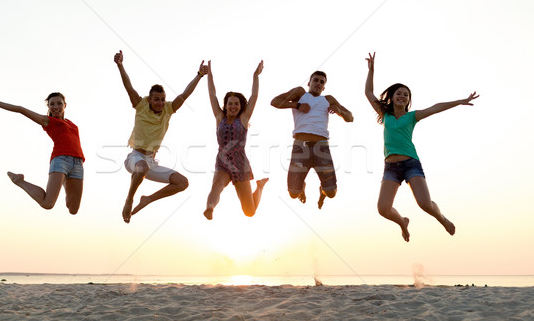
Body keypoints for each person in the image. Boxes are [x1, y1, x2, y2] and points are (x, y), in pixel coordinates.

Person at [364, 52, 479, 242]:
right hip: (390, 168)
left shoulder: (412, 116)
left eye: (406, 95)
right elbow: (368, 93)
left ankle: (442, 218)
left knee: (425, 204)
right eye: (399, 93)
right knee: (383, 209)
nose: (402, 96)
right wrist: (371, 70)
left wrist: (459, 101)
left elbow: (436, 107)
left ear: (408, 101)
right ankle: (403, 222)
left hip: (411, 164)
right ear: (392, 97)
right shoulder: (385, 116)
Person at [114, 50, 208, 223]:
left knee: (182, 182)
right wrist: (120, 65)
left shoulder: (168, 110)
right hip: (135, 159)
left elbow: (185, 94)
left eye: (162, 99)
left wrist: (200, 75)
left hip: (151, 162)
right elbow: (128, 86)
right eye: (156, 99)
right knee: (142, 167)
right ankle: (129, 200)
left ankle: (147, 199)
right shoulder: (140, 105)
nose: (160, 102)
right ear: (149, 100)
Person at [0, 92, 85, 214]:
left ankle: (63, 179)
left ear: (65, 105)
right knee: (48, 204)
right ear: (48, 107)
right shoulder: (48, 121)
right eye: (52, 104)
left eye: (59, 103)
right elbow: (20, 109)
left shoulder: (72, 124)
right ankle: (19, 180)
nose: (55, 106)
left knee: (73, 209)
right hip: (61, 160)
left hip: (78, 164)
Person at [271, 70, 353, 208]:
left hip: (321, 147)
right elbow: (275, 101)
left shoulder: (328, 99)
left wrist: (339, 111)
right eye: (316, 80)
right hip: (300, 147)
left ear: (324, 87)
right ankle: (301, 186)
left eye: (322, 82)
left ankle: (322, 190)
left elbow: (350, 117)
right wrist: (297, 105)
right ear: (309, 83)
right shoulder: (300, 93)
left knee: (331, 193)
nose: (318, 83)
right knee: (293, 193)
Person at [203, 60, 269, 220]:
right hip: (222, 161)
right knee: (217, 186)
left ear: (240, 106)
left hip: (240, 164)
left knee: (249, 212)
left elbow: (254, 96)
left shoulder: (244, 119)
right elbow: (212, 94)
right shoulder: (220, 117)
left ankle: (259, 187)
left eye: (236, 104)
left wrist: (255, 76)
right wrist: (209, 75)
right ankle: (210, 208)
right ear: (225, 105)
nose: (233, 106)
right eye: (230, 104)